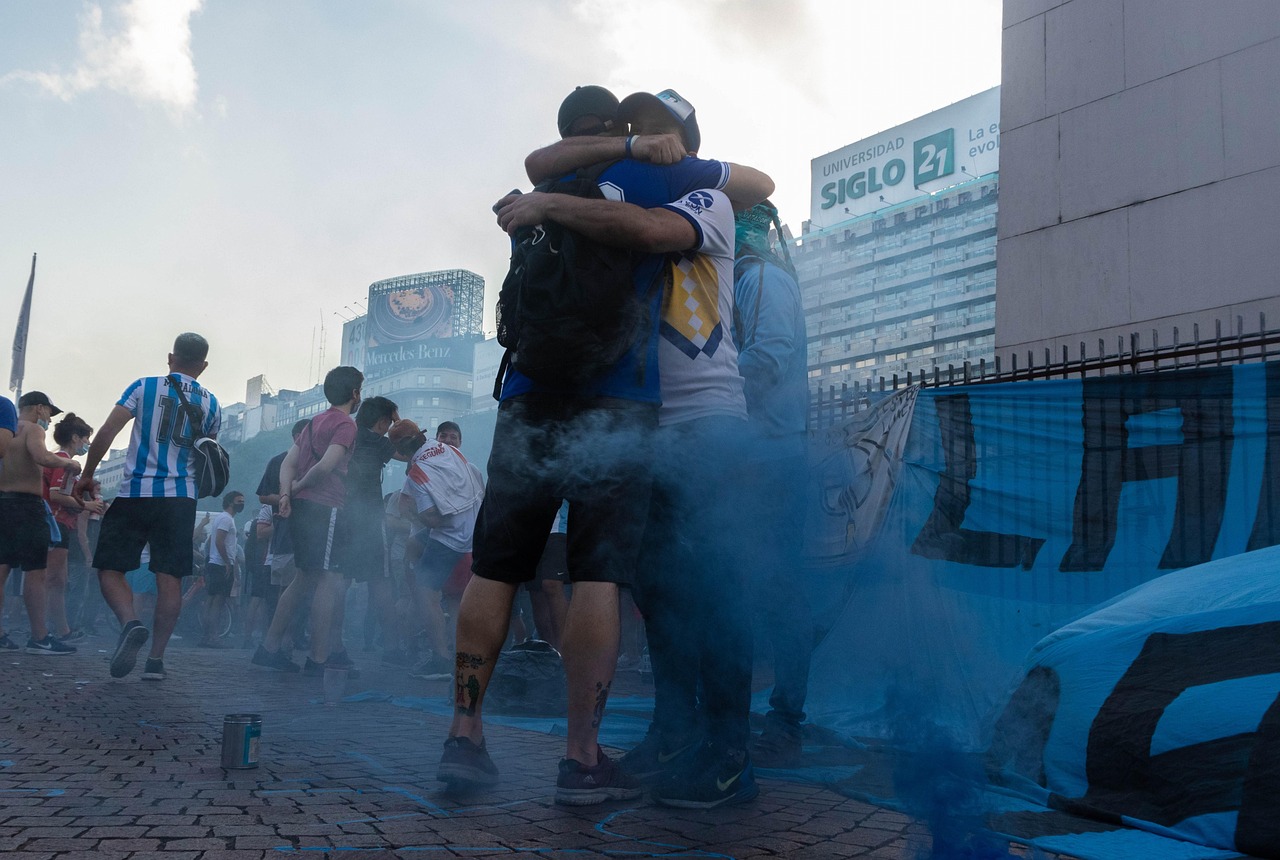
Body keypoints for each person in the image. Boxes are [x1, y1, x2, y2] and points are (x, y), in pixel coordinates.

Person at [444, 86, 772, 806]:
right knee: (656, 591)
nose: (646, 137)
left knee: (715, 588)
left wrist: (548, 202)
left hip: (704, 422)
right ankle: (667, 734)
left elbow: (654, 228)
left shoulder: (701, 197)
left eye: (660, 129)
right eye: (634, 125)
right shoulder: (604, 181)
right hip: (636, 419)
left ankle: (727, 752)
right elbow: (557, 171)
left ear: (685, 143)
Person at [75, 333, 222, 680]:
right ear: (203, 366)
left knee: (109, 567)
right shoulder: (213, 405)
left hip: (136, 493)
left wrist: (88, 473)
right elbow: (207, 452)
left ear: (171, 358)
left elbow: (108, 431)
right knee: (169, 578)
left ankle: (130, 623)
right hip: (181, 499)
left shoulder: (143, 387)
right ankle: (155, 661)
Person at [733, 200, 813, 768]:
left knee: (780, 591)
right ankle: (738, 716)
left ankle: (785, 722)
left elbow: (765, 360)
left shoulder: (760, 278)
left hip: (771, 456)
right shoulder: (746, 280)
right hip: (756, 454)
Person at [252, 366, 362, 674]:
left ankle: (269, 647)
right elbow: (326, 466)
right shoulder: (345, 424)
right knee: (328, 579)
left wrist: (286, 494)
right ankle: (318, 658)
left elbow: (288, 463)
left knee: (303, 578)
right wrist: (297, 488)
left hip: (303, 508)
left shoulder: (314, 422)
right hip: (325, 507)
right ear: (355, 393)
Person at [393, 420, 485, 681]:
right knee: (456, 599)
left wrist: (424, 518)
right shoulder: (449, 450)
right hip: (475, 530)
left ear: (402, 450)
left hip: (451, 537)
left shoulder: (417, 472)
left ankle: (441, 660)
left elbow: (432, 519)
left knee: (426, 592)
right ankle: (461, 655)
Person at [0, 391, 82, 655]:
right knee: (35, 572)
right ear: (38, 408)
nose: (49, 418)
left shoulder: (5, 431)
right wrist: (68, 464)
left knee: (2, 569)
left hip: (3, 503)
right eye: (48, 411)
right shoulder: (32, 429)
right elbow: (42, 457)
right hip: (27, 506)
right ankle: (39, 637)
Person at [334, 396, 404, 669]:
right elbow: (410, 452)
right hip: (370, 520)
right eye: (389, 421)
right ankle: (393, 647)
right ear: (383, 421)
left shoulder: (349, 434)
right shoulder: (379, 441)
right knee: (381, 582)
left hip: (342, 515)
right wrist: (400, 423)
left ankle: (332, 646)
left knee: (339, 582)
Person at [43, 412, 103, 643]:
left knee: (57, 581)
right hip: (56, 523)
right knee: (53, 580)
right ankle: (50, 630)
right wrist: (87, 505)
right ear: (75, 437)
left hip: (59, 524)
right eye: (86, 438)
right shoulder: (64, 462)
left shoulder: (63, 461)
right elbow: (56, 494)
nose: (87, 443)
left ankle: (60, 630)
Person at [201, 490, 244, 647]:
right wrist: (227, 562)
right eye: (239, 501)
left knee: (211, 601)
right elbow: (219, 541)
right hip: (221, 565)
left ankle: (206, 636)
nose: (242, 504)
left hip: (215, 563)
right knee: (217, 603)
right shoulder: (226, 519)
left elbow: (210, 541)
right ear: (230, 502)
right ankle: (213, 637)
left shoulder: (221, 518)